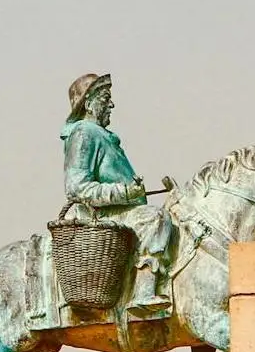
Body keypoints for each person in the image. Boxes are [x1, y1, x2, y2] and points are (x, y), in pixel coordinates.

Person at [60, 73, 175, 317]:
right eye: (106, 98)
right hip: (100, 219)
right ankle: (144, 293)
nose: (111, 104)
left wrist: (135, 193)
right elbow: (77, 187)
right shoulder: (84, 133)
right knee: (156, 219)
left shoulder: (101, 136)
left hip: (118, 212)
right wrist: (125, 192)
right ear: (88, 102)